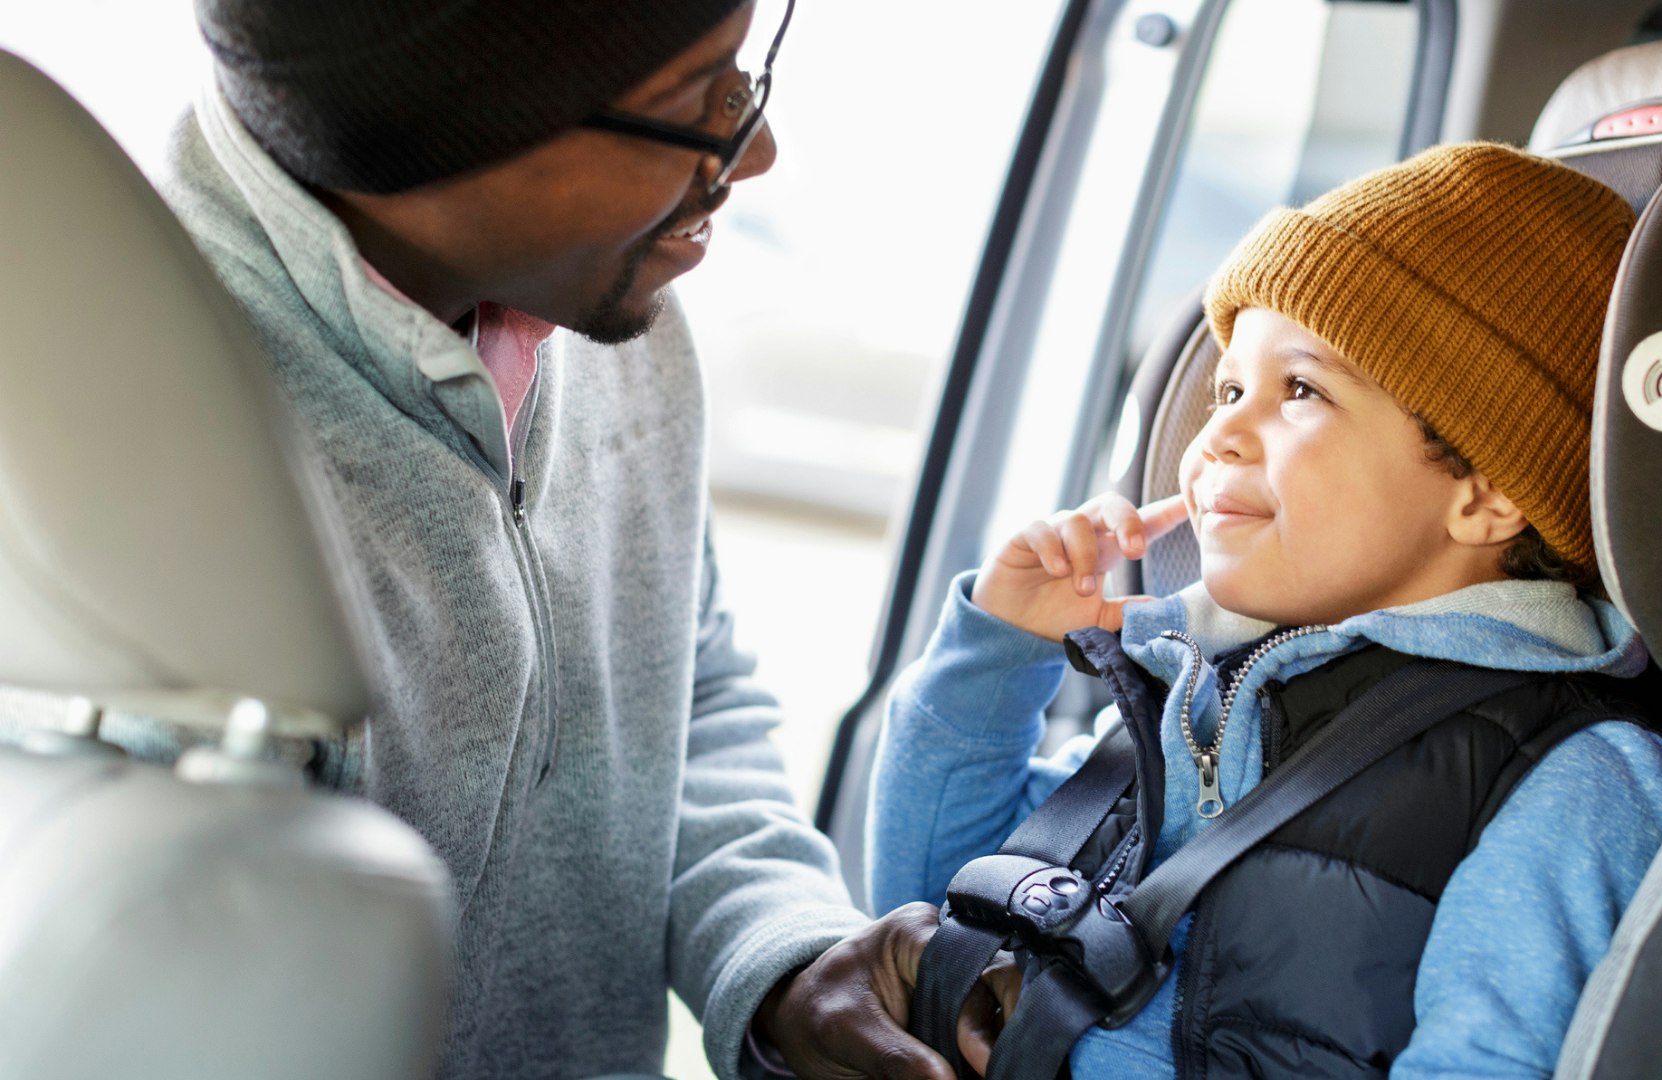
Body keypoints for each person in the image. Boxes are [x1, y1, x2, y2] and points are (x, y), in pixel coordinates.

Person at [142, 0, 1011, 1077]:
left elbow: (683, 694)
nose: (759, 148)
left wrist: (782, 955)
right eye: (697, 102)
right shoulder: (151, 477)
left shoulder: (610, 320)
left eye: (747, 71)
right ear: (452, 124)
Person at [870, 143, 1662, 1078]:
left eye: (1300, 390)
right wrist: (999, 652)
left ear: (1487, 492)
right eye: (1227, 389)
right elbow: (928, 908)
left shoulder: (1564, 777)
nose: (1217, 433)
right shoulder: (1191, 688)